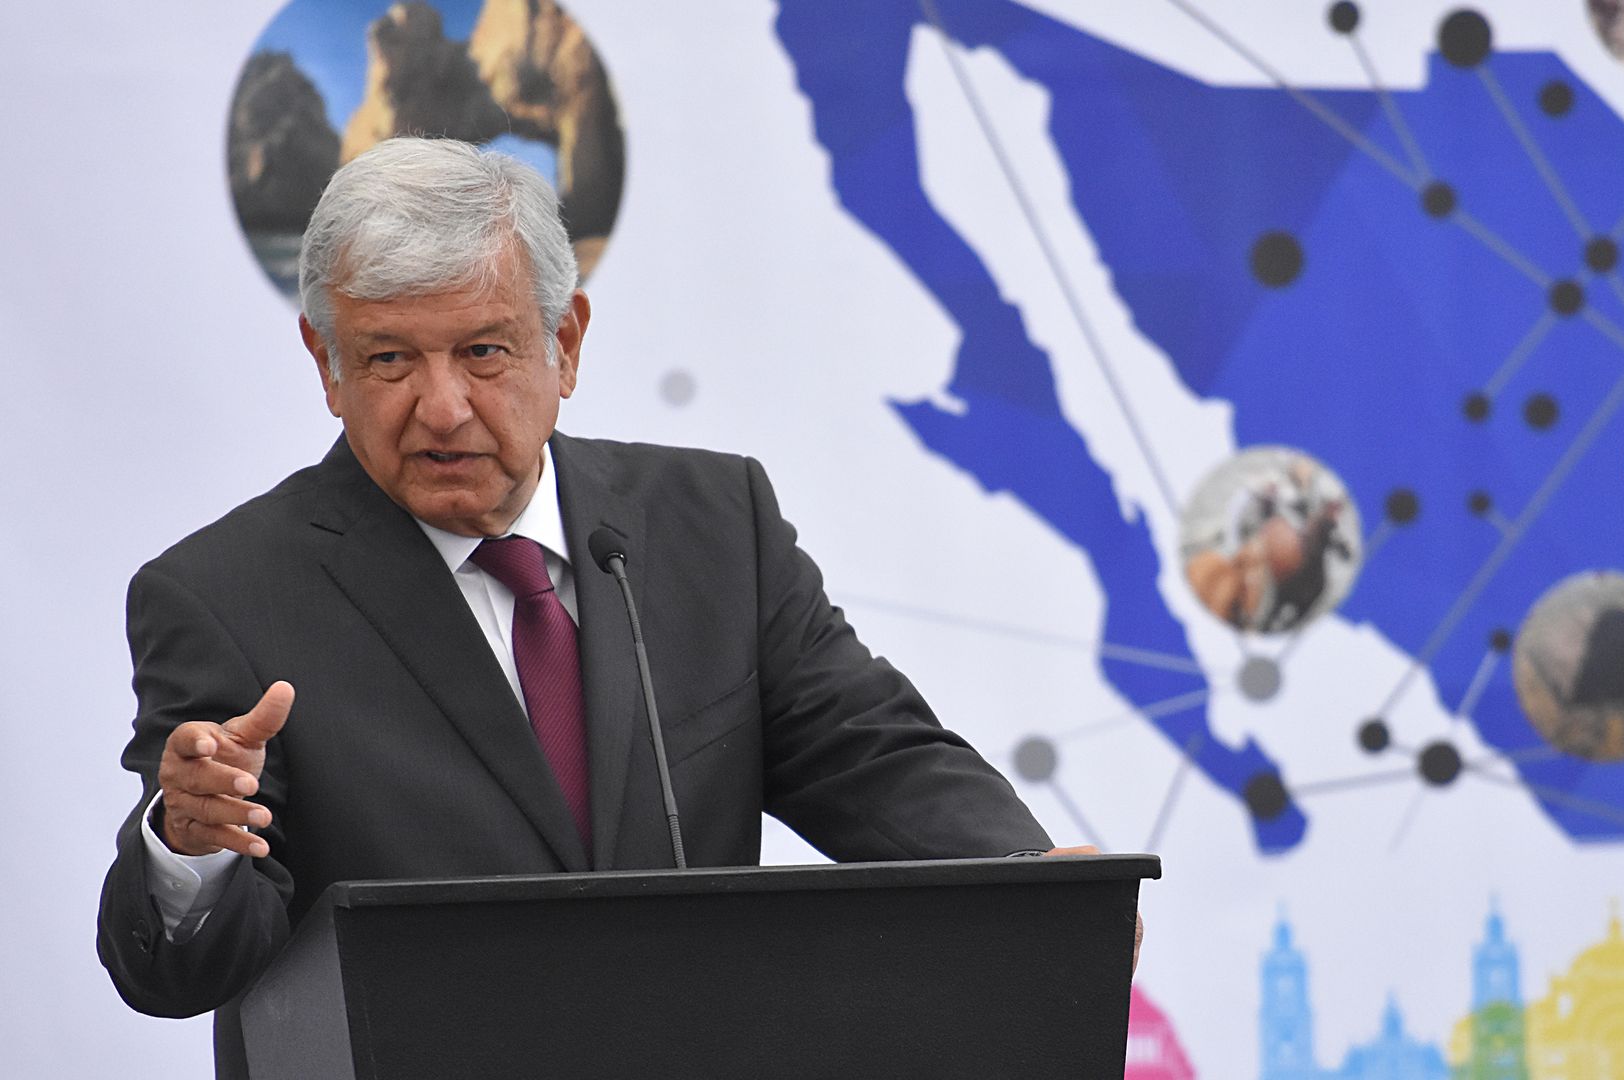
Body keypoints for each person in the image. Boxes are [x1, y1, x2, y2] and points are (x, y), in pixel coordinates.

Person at [96, 137, 1088, 1075]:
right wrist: (190, 846)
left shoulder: (713, 526)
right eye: (391, 359)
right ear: (327, 364)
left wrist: (1033, 885)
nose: (440, 408)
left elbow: (870, 755)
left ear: (564, 344)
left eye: (484, 351)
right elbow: (178, 970)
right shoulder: (225, 598)